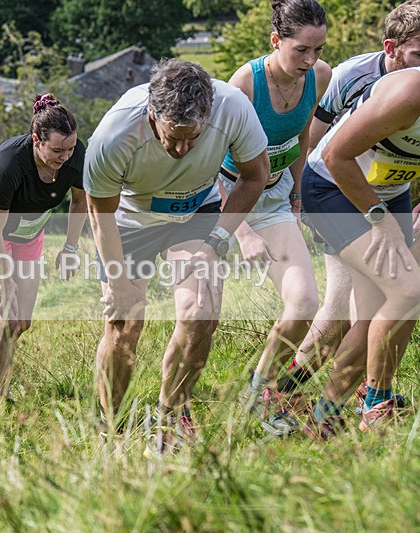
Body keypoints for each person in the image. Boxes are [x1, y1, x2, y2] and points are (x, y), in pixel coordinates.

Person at [84, 59, 270, 453]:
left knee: (201, 312)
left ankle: (170, 418)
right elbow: (100, 215)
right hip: (130, 220)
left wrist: (217, 241)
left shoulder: (233, 107)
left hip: (196, 211)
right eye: (173, 137)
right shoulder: (114, 134)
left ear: (209, 114)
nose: (182, 149)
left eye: (193, 137)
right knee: (124, 325)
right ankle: (109, 427)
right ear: (153, 114)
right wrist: (118, 283)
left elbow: (255, 176)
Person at [276, 0, 420, 409]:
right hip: (337, 190)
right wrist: (299, 200)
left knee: (381, 306)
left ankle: (338, 406)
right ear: (391, 49)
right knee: (342, 306)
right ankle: (281, 395)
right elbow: (318, 143)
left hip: (389, 193)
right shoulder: (354, 75)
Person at [301, 63, 420, 439]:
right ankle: (376, 404)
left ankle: (324, 418)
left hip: (388, 193)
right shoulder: (412, 93)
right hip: (331, 185)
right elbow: (335, 156)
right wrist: (380, 220)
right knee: (407, 291)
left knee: (381, 313)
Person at [218, 0, 330, 435]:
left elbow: (302, 141)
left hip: (276, 197)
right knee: (197, 316)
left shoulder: (319, 76)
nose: (311, 60)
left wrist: (298, 200)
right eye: (301, 49)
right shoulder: (244, 84)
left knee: (304, 304)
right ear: (275, 40)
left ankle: (259, 393)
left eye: (318, 49)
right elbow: (208, 164)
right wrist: (241, 231)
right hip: (225, 198)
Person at [0, 94, 87, 405]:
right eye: (57, 150)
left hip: (29, 230)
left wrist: (70, 248)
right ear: (36, 140)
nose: (65, 157)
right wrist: (6, 283)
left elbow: (80, 200)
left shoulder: (76, 154)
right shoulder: (8, 164)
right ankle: (0, 402)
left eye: (70, 149)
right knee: (6, 320)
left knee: (22, 323)